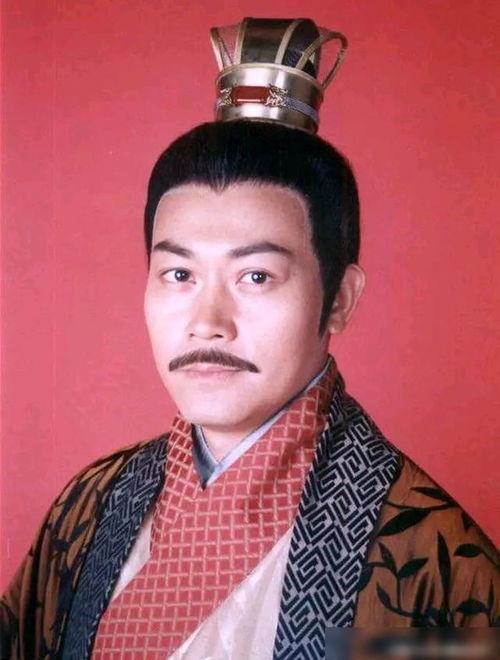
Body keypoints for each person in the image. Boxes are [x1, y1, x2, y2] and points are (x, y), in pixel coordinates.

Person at [1, 17, 498, 660]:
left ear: (340, 299)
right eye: (179, 274)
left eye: (256, 276)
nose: (208, 320)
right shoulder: (90, 509)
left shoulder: (431, 561)